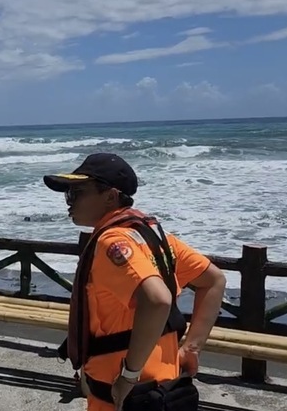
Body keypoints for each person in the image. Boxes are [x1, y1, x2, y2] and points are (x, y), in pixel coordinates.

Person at [44, 153, 226, 411]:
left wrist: (129, 375)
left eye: (76, 193)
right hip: (164, 387)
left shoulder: (112, 243)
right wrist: (192, 348)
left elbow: (157, 300)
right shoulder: (154, 234)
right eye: (67, 195)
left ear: (110, 196)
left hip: (124, 391)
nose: (68, 202)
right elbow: (213, 280)